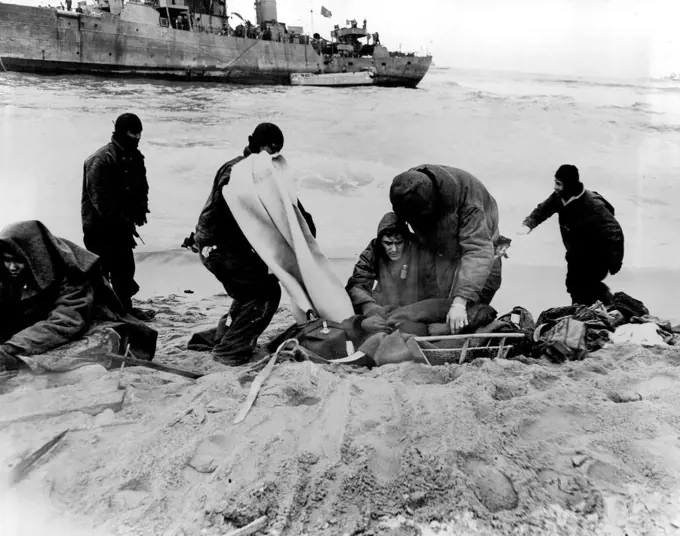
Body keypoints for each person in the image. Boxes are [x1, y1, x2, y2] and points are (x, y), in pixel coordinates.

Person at [191, 123, 317, 366]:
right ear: (256, 144)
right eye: (271, 150)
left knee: (251, 288)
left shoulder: (262, 173)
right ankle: (230, 350)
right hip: (218, 248)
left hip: (223, 247)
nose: (275, 156)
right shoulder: (237, 172)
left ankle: (225, 335)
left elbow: (290, 207)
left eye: (279, 152)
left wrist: (304, 233)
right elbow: (233, 212)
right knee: (265, 292)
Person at [0, 220, 157, 374]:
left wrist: (11, 347)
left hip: (90, 326)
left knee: (91, 346)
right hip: (46, 329)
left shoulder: (72, 272)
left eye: (18, 261)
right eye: (7, 260)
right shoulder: (10, 274)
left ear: (34, 256)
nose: (12, 267)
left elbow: (67, 321)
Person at [389, 165, 503, 334]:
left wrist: (460, 302)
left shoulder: (470, 203)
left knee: (470, 312)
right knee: (433, 307)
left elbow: (477, 250)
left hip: (480, 255)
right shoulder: (405, 189)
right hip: (438, 252)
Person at [82, 113, 153, 321]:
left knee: (125, 268)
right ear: (122, 132)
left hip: (123, 224)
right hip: (99, 227)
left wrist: (141, 210)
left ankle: (124, 309)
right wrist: (122, 221)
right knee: (101, 272)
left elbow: (142, 187)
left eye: (140, 133)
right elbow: (100, 201)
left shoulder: (135, 157)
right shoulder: (99, 160)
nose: (137, 137)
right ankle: (101, 312)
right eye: (133, 133)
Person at [519, 164, 624, 306]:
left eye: (559, 184)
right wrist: (528, 225)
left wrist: (615, 261)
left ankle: (607, 305)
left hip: (597, 254)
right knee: (573, 285)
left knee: (586, 285)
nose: (555, 187)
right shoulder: (559, 197)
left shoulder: (593, 204)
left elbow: (614, 230)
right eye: (555, 183)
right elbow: (542, 210)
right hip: (576, 253)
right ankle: (584, 310)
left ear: (569, 185)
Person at [345, 212, 438, 333]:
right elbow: (358, 284)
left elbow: (433, 292)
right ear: (380, 242)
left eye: (399, 242)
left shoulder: (421, 250)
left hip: (415, 309)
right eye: (388, 243)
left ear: (406, 240)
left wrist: (414, 315)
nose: (394, 249)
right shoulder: (374, 250)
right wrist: (368, 306)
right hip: (384, 309)